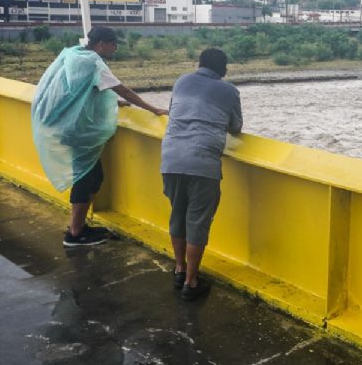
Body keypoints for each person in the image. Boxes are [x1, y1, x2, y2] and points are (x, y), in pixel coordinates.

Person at [31, 26, 168, 247]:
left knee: (92, 177)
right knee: (86, 179)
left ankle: (79, 226)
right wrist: (155, 110)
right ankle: (75, 233)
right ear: (102, 43)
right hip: (77, 131)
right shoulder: (93, 62)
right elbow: (123, 89)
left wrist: (113, 102)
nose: (115, 48)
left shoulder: (74, 54)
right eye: (113, 43)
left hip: (66, 126)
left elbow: (81, 90)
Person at [161, 48, 242, 301]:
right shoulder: (229, 91)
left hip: (171, 158)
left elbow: (174, 111)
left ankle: (179, 269)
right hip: (202, 163)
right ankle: (191, 282)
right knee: (197, 221)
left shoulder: (182, 81)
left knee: (178, 215)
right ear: (224, 69)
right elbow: (236, 127)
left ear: (199, 64)